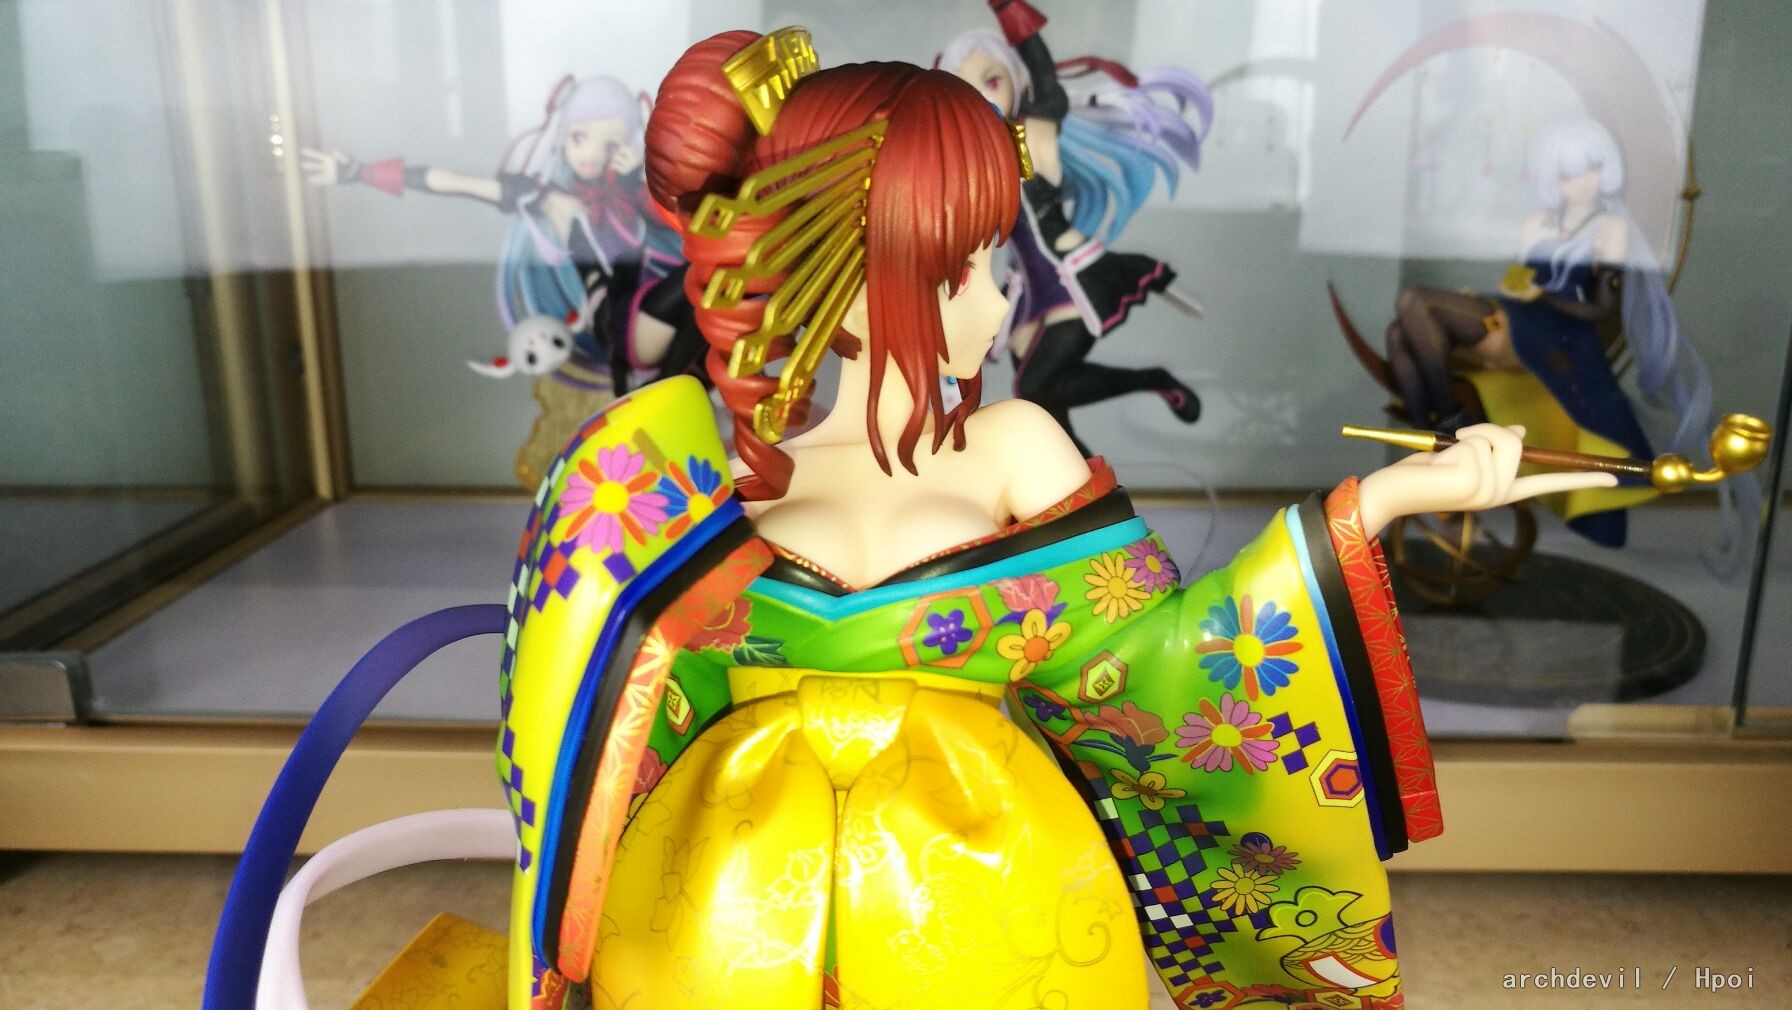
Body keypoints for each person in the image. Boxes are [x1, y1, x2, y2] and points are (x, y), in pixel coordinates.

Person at [489, 29, 1617, 1009]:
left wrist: (1384, 501)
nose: (998, 298)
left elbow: (1161, 663)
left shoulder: (1014, 444)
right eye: (959, 269)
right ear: (844, 277)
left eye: (995, 258)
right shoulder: (706, 473)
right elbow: (611, 724)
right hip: (725, 903)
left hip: (988, 884)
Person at [302, 75, 709, 485]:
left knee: (709, 286)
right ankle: (665, 396)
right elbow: (455, 183)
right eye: (579, 137)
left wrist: (638, 176)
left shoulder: (632, 194)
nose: (590, 155)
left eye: (608, 144)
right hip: (621, 326)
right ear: (561, 134)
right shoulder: (549, 199)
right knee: (700, 282)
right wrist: (358, 171)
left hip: (654, 319)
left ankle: (670, 398)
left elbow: (688, 218)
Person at [1372, 117, 1716, 547]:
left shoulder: (1610, 228)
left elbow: (1600, 308)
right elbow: (1516, 283)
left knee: (1414, 302)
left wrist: (1545, 297)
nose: (1581, 183)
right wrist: (1482, 297)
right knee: (1399, 335)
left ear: (1605, 170)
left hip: (1555, 333)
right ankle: (1437, 436)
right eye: (1568, 174)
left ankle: (1449, 428)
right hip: (1515, 314)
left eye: (1589, 169)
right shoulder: (1538, 221)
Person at [940, 0, 1211, 455]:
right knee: (1046, 406)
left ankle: (1152, 381)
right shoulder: (980, 164)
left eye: (992, 81)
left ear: (1017, 81)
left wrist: (1010, 12)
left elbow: (1049, 91)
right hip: (1030, 291)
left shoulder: (1033, 139)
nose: (982, 97)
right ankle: (1083, 479)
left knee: (1033, 387)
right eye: (965, 88)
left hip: (1072, 275)